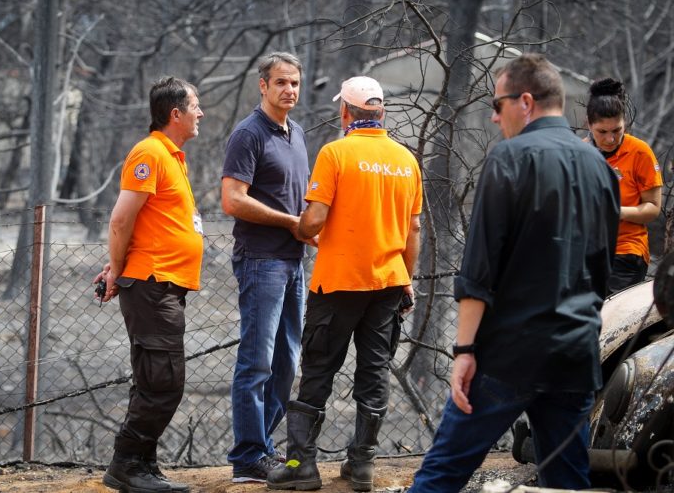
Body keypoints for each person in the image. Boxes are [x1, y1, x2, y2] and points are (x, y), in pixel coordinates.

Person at [407, 54, 620, 492]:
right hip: (575, 354)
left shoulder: (509, 158)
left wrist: (464, 349)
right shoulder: (602, 169)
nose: (493, 114)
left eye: (497, 104)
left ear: (525, 101)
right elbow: (602, 271)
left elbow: (479, 267)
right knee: (567, 483)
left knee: (442, 475)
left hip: (509, 354)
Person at [267, 76, 423, 492]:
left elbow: (314, 220)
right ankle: (362, 466)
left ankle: (301, 464)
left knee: (318, 370)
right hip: (388, 283)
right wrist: (406, 279)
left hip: (338, 285)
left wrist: (300, 228)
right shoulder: (406, 160)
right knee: (374, 371)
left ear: (346, 113)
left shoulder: (336, 153)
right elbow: (413, 230)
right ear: (382, 112)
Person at [94, 76, 205, 493]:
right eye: (196, 106)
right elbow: (121, 219)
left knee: (152, 379)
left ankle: (143, 465)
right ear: (174, 114)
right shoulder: (149, 152)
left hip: (163, 283)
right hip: (152, 284)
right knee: (164, 383)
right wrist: (119, 272)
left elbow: (146, 223)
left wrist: (116, 267)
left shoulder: (173, 156)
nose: (201, 113)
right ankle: (126, 464)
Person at [221, 51, 312, 483]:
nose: (289, 90)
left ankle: (263, 447)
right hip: (261, 260)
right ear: (263, 85)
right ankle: (247, 458)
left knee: (287, 363)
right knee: (256, 362)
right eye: (280, 82)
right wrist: (289, 222)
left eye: (294, 83)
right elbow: (232, 199)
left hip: (294, 260)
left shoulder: (296, 133)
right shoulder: (248, 133)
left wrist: (310, 226)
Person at [585, 77, 662, 294]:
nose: (610, 139)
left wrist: (617, 212)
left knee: (606, 316)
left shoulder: (640, 152)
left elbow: (653, 208)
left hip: (627, 251)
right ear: (588, 124)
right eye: (602, 132)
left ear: (624, 123)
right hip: (585, 252)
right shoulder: (578, 154)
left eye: (616, 130)